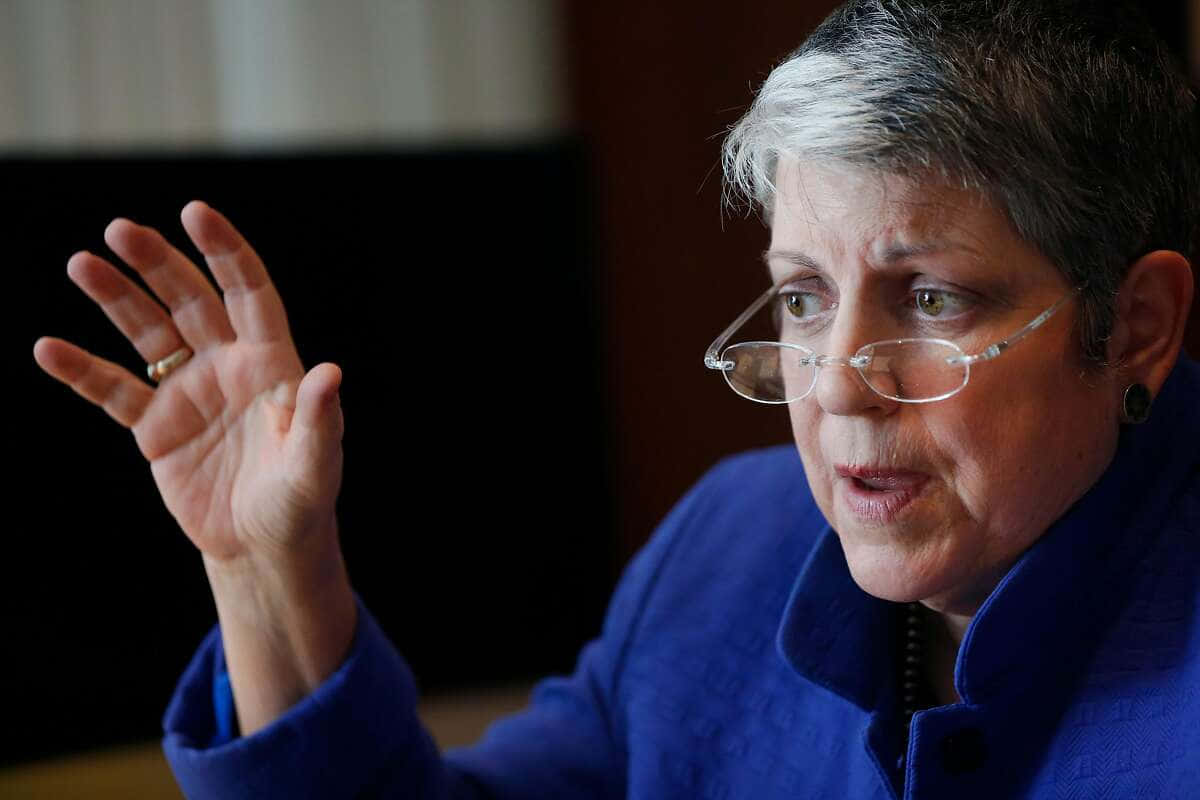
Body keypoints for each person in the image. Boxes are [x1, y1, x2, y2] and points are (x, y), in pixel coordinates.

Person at [33, 0, 1200, 797]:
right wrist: (264, 566)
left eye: (932, 297)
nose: (837, 380)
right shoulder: (727, 544)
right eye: (801, 298)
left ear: (1135, 326)